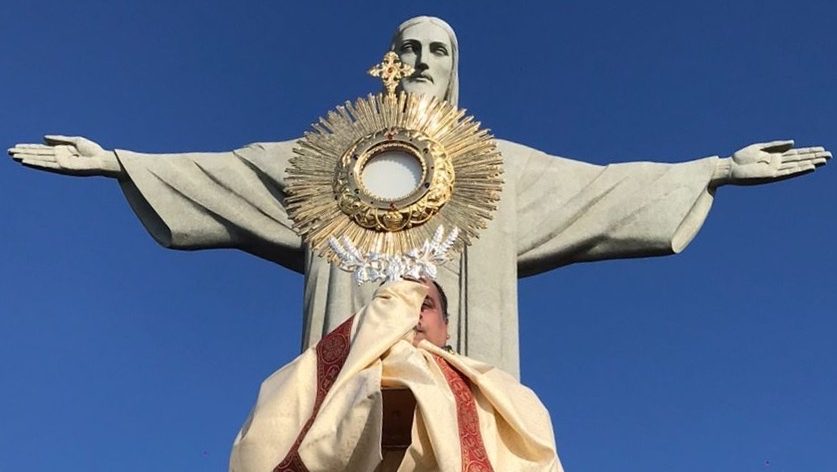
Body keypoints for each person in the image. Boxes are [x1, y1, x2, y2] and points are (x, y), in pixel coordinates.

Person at [7, 16, 830, 378]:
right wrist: (119, 161)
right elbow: (226, 171)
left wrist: (716, 168)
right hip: (344, 380)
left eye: (440, 46)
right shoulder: (321, 158)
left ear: (455, 64)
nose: (426, 57)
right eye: (412, 46)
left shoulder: (500, 167)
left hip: (467, 371)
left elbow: (604, 189)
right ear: (390, 60)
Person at [229, 278, 563, 472]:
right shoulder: (326, 376)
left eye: (425, 304)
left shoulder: (496, 391)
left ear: (445, 328)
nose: (411, 313)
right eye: (394, 303)